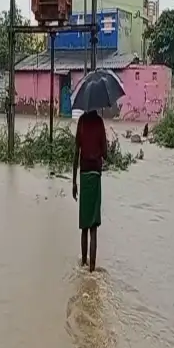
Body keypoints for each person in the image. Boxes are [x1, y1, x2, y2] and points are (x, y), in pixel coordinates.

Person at [72, 109, 107, 271]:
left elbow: (75, 153)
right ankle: (92, 269)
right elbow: (106, 154)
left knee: (84, 226)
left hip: (84, 175)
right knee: (93, 227)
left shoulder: (82, 122)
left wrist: (74, 182)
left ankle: (83, 264)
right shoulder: (99, 122)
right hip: (95, 175)